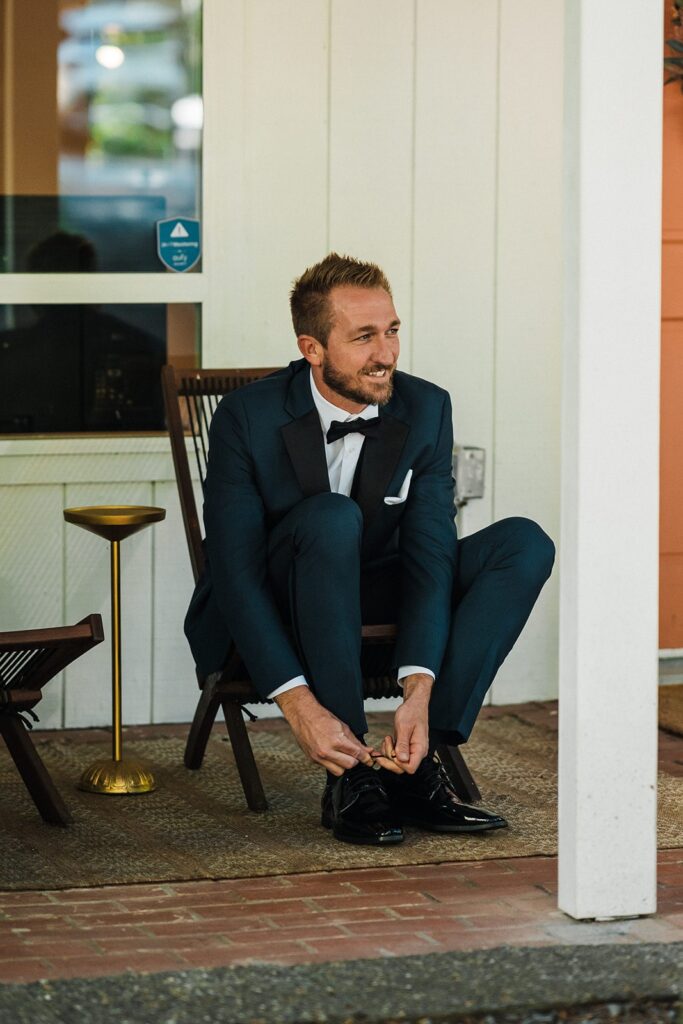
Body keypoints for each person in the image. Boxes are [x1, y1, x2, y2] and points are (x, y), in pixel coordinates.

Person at [185, 253, 555, 845]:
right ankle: (354, 774)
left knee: (523, 543)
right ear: (312, 349)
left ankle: (416, 757)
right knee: (333, 517)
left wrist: (419, 691)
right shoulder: (246, 417)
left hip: (369, 590)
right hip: (275, 603)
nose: (386, 353)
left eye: (392, 330)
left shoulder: (426, 407)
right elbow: (233, 572)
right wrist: (299, 706)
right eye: (364, 337)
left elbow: (432, 552)